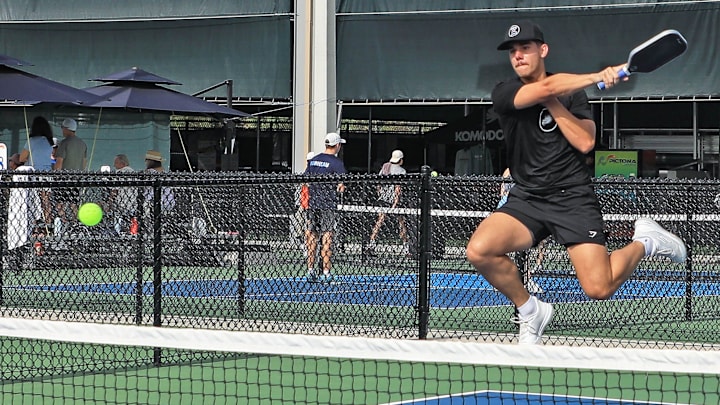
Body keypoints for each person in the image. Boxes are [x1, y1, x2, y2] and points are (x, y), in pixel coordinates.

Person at [466, 21, 687, 345]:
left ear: (543, 50)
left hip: (572, 199)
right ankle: (531, 311)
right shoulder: (504, 91)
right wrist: (599, 75)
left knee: (599, 288)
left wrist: (555, 101)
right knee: (479, 251)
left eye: (525, 48)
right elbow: (540, 90)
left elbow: (585, 142)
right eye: (513, 51)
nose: (518, 55)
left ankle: (647, 241)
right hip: (527, 197)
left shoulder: (571, 95)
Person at [304, 133, 347, 283]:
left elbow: (306, 180)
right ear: (337, 146)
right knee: (327, 236)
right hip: (328, 204)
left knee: (312, 235)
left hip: (313, 203)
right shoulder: (337, 163)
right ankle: (326, 272)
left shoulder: (314, 160)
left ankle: (310, 270)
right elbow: (341, 186)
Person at [497, 168, 543, 294]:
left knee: (522, 250)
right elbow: (503, 192)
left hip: (520, 211)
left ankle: (525, 280)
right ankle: (508, 280)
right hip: (508, 210)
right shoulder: (509, 172)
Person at [366, 150, 409, 256]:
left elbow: (379, 184)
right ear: (400, 160)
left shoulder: (385, 166)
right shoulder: (401, 171)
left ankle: (371, 243)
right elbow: (398, 188)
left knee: (379, 221)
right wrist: (395, 202)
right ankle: (405, 247)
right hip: (393, 200)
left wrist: (380, 194)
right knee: (401, 223)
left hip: (383, 199)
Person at [18, 116, 55, 225]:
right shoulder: (50, 141)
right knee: (45, 200)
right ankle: (48, 223)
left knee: (33, 200)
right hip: (47, 173)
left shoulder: (32, 141)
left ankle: (33, 223)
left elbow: (21, 158)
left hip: (34, 173)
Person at [109, 154, 137, 234]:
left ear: (123, 163)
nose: (114, 165)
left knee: (118, 219)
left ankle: (117, 232)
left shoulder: (119, 172)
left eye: (116, 163)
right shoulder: (133, 172)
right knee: (133, 219)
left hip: (122, 203)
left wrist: (110, 203)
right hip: (133, 203)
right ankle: (133, 232)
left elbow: (115, 190)